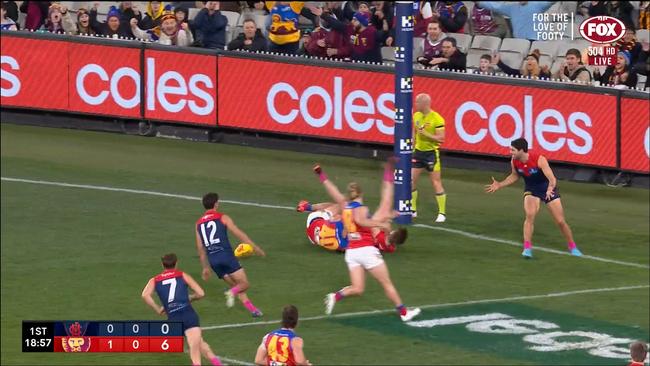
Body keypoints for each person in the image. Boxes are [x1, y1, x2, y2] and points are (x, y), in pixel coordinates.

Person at [314, 160, 421, 322]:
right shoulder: (361, 209)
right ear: (361, 194)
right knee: (386, 283)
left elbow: (332, 190)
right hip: (365, 250)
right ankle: (404, 313)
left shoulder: (345, 206)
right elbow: (362, 221)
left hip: (351, 252)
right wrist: (381, 224)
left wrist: (321, 174)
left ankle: (335, 296)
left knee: (358, 288)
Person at [484, 138, 583, 259]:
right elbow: (515, 175)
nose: (510, 152)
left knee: (560, 221)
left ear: (521, 150)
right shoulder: (514, 161)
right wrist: (500, 184)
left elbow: (552, 179)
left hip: (547, 189)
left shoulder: (539, 159)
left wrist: (549, 189)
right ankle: (527, 248)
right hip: (531, 189)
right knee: (530, 215)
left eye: (513, 150)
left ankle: (572, 246)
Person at [141, 253, 223, 366]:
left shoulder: (154, 280)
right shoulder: (182, 275)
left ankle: (217, 363)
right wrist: (190, 298)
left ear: (162, 265)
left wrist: (158, 309)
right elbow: (200, 293)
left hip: (173, 319)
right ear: (176, 263)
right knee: (195, 353)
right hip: (187, 315)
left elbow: (145, 295)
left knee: (199, 343)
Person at [196, 192, 266, 317]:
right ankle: (231, 292)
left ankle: (253, 310)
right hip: (226, 256)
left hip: (213, 261)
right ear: (216, 204)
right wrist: (255, 248)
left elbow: (200, 248)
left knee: (237, 286)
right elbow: (239, 234)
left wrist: (205, 268)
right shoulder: (222, 217)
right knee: (244, 284)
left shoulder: (198, 224)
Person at [411, 93, 447, 222]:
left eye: (417, 102)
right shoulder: (416, 116)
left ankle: (442, 213)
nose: (415, 105)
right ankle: (413, 210)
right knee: (412, 181)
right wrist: (413, 141)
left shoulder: (437, 119)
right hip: (418, 152)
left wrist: (426, 134)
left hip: (431, 153)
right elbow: (414, 131)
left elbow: (441, 138)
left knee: (436, 182)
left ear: (424, 104)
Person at [478, 1, 553, 40]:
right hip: (518, 42)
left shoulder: (538, 4)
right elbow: (495, 6)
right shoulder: (511, 8)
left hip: (536, 42)